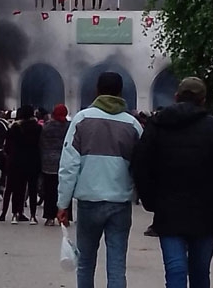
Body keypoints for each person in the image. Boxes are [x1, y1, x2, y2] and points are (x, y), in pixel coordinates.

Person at [131, 77, 213, 288]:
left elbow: (140, 165)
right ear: (203, 100)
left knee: (175, 270)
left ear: (176, 97)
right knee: (200, 272)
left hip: (168, 211)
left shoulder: (157, 126)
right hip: (207, 211)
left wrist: (151, 200)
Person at [58, 72, 143, 288]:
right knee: (116, 266)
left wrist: (62, 203)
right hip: (120, 203)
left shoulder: (81, 119)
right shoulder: (133, 125)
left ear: (97, 90)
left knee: (85, 263)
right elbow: (141, 166)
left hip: (89, 202)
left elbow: (69, 166)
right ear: (120, 92)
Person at [11, 105, 41, 225]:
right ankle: (33, 216)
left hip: (18, 160)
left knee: (18, 188)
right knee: (33, 189)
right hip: (33, 160)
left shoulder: (15, 127)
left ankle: (15, 214)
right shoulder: (38, 128)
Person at [40, 104, 69, 226]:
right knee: (65, 191)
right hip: (64, 162)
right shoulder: (68, 127)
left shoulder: (46, 127)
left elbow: (41, 143)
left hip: (48, 163)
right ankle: (64, 217)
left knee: (50, 191)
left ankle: (50, 218)